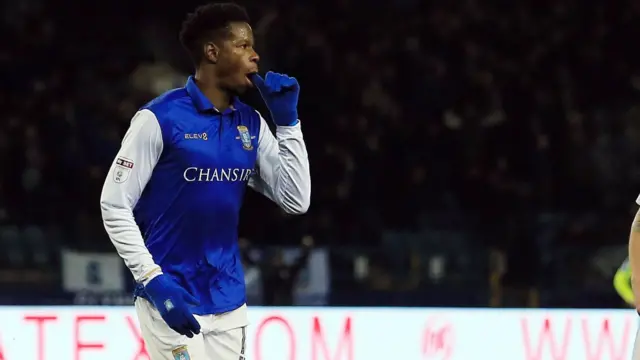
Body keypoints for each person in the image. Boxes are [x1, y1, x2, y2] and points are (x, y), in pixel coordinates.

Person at [99, 3, 311, 359]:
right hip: (171, 293)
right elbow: (114, 204)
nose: (256, 56)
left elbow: (295, 198)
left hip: (229, 300)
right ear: (212, 52)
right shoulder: (159, 119)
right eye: (243, 46)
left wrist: (288, 123)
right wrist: (152, 279)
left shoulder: (252, 123)